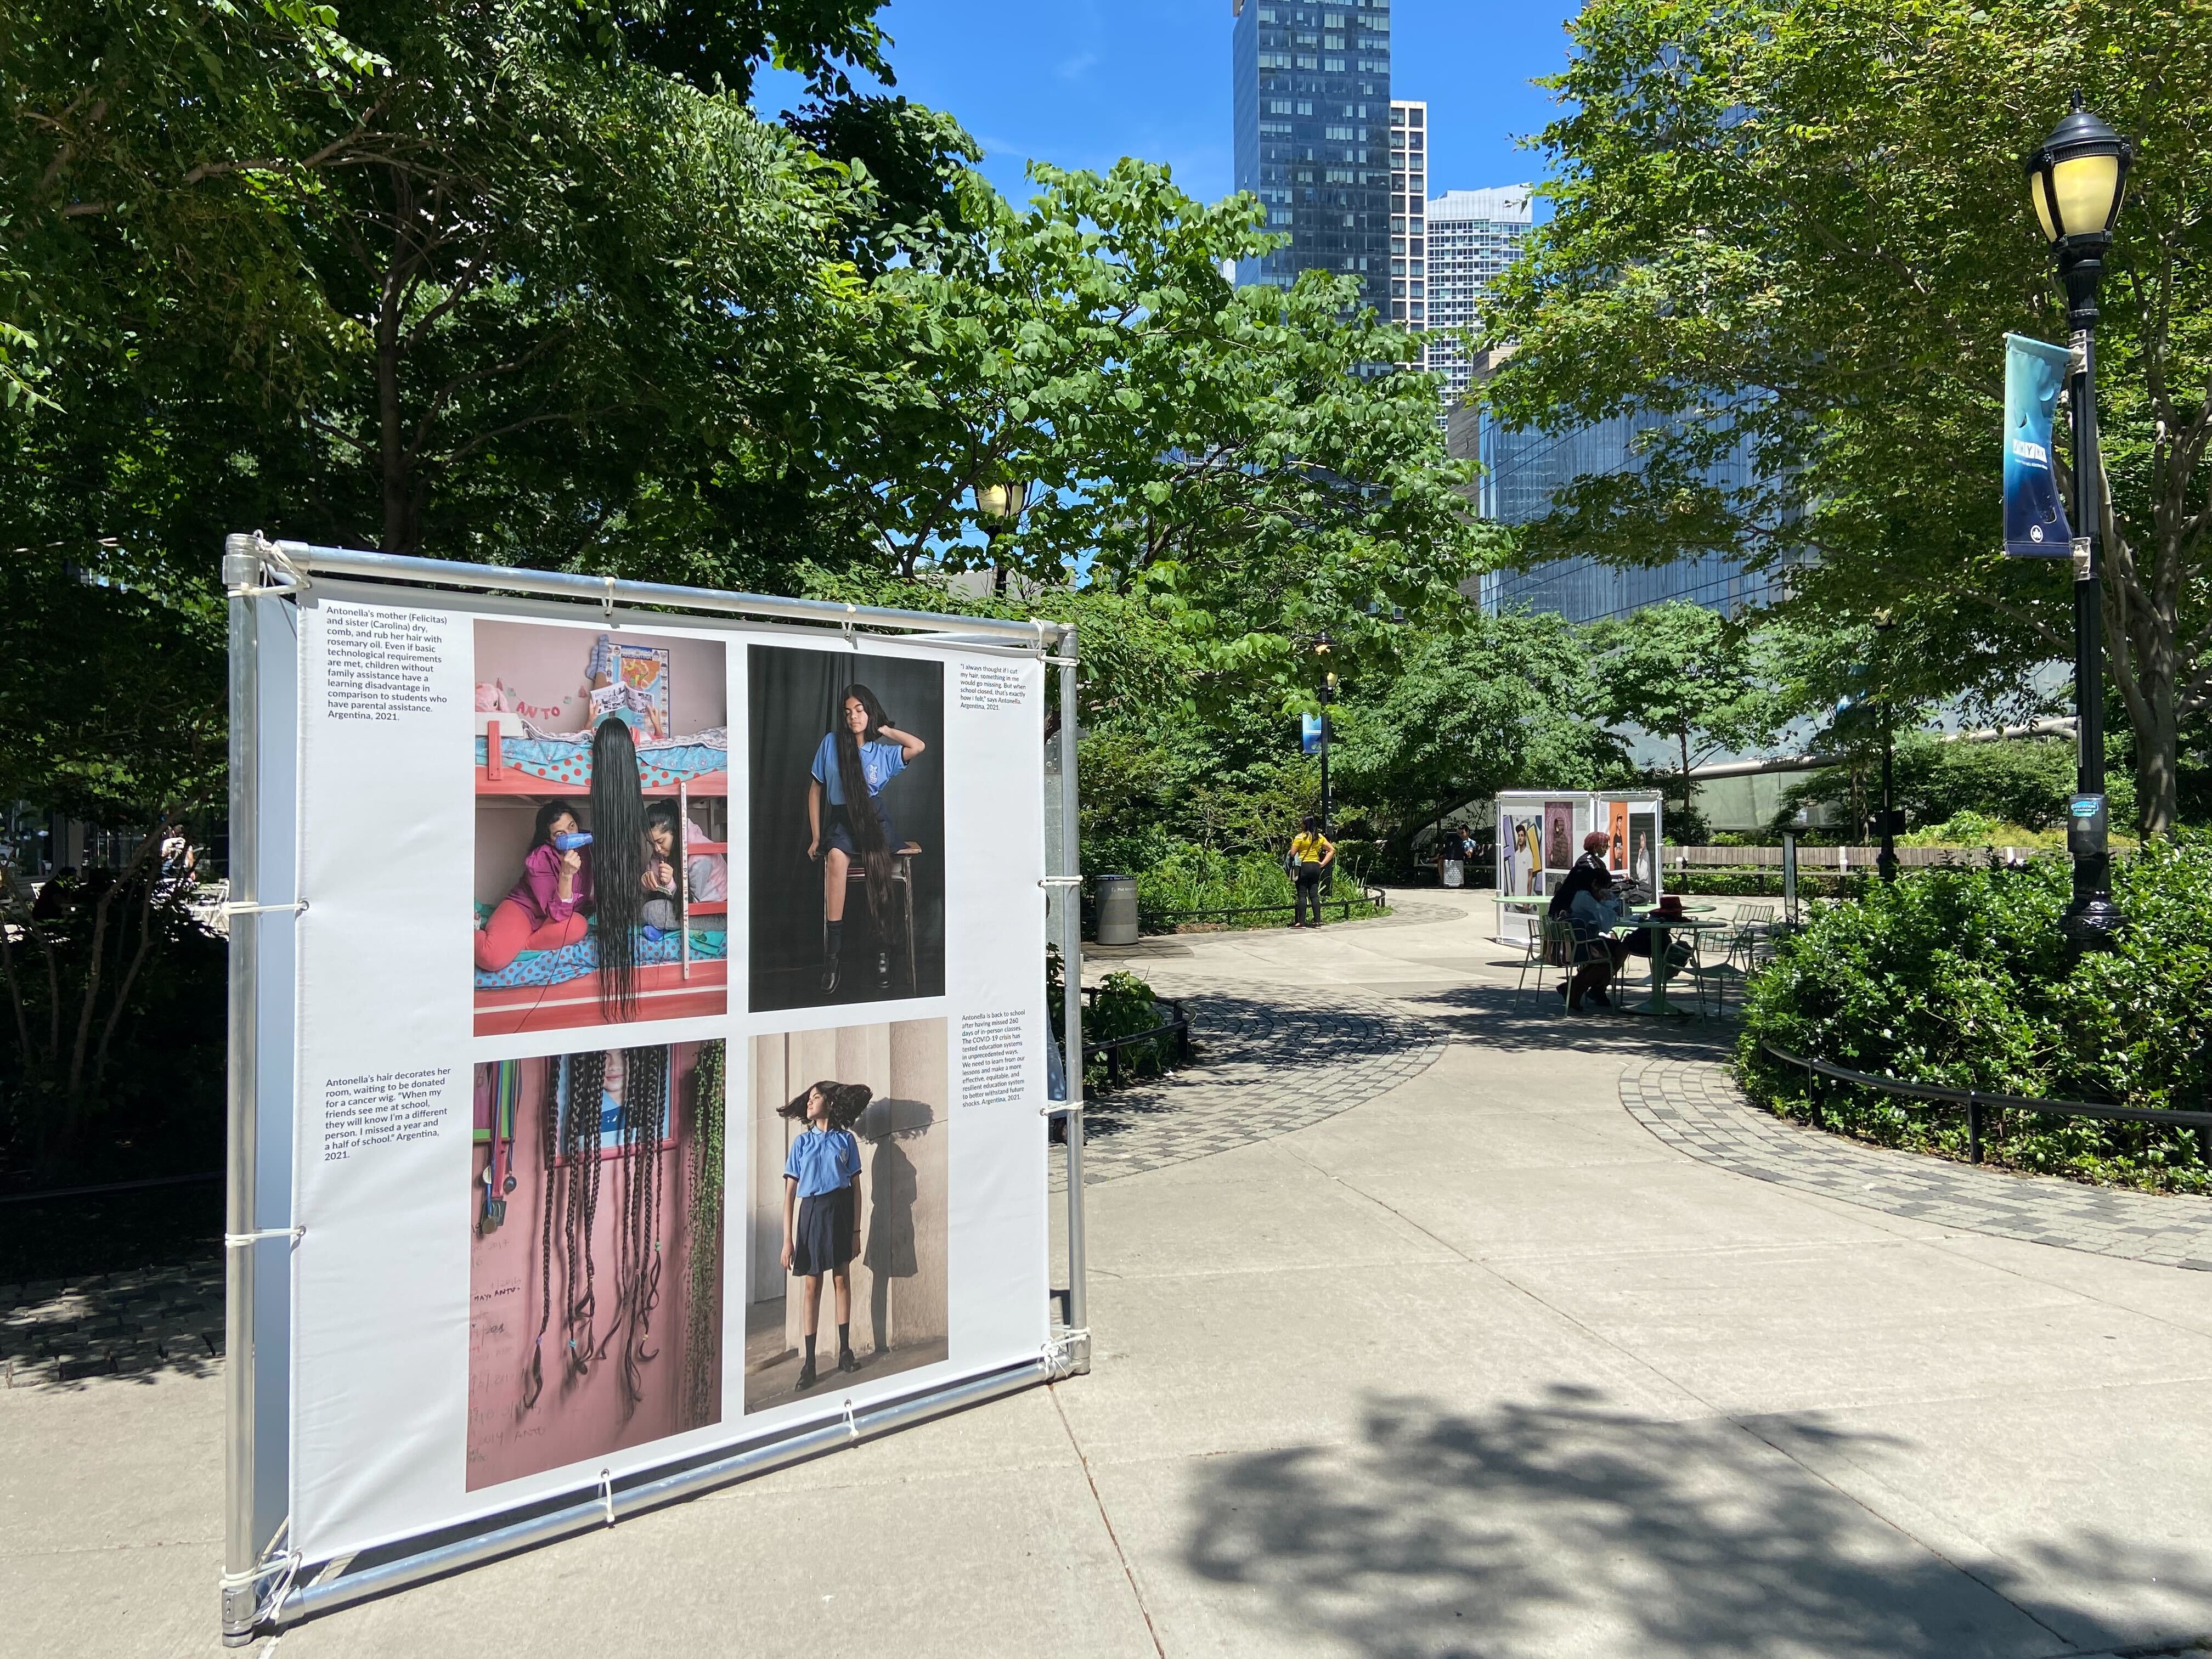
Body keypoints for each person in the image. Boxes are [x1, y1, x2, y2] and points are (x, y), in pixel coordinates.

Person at [807, 684, 926, 994]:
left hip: (873, 821)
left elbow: (918, 746)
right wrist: (817, 837)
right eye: (848, 712)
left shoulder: (882, 753)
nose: (853, 717)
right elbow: (816, 789)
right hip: (843, 821)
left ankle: (884, 950)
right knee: (835, 857)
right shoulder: (831, 743)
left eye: (860, 711)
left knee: (880, 869)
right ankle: (833, 957)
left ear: (870, 712)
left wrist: (884, 729)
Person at [779, 1080, 872, 1390]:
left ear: (829, 1104)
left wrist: (857, 1231)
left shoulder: (846, 1141)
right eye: (809, 1098)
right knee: (812, 1286)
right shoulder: (801, 1145)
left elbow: (857, 1190)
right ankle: (810, 1362)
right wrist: (787, 1240)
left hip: (840, 1211)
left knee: (842, 1279)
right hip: (811, 1214)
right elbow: (790, 1195)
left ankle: (846, 1351)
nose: (809, 1102)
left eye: (816, 1098)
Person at [475, 802, 593, 972]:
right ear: (549, 840)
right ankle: (472, 931)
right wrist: (566, 875)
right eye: (561, 834)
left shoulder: (587, 846)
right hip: (525, 910)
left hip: (551, 921)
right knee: (491, 959)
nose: (570, 836)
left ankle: (523, 947)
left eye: (572, 826)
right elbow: (558, 914)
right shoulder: (539, 860)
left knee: (579, 926)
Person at [1547, 831, 1629, 1009]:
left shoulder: (1577, 894)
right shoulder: (1584, 896)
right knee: (1612, 955)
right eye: (1601, 888)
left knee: (1616, 950)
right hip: (1573, 946)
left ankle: (1590, 989)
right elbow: (1606, 926)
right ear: (1593, 884)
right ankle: (1577, 989)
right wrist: (1609, 904)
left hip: (1569, 942)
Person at [1289, 815, 1334, 928]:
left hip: (1303, 867)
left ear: (1305, 824)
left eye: (1302, 823)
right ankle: (1317, 921)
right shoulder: (1319, 837)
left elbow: (1293, 854)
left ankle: (1301, 922)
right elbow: (1332, 850)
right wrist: (1323, 863)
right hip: (1315, 866)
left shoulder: (1300, 837)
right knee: (1314, 895)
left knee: (1302, 895)